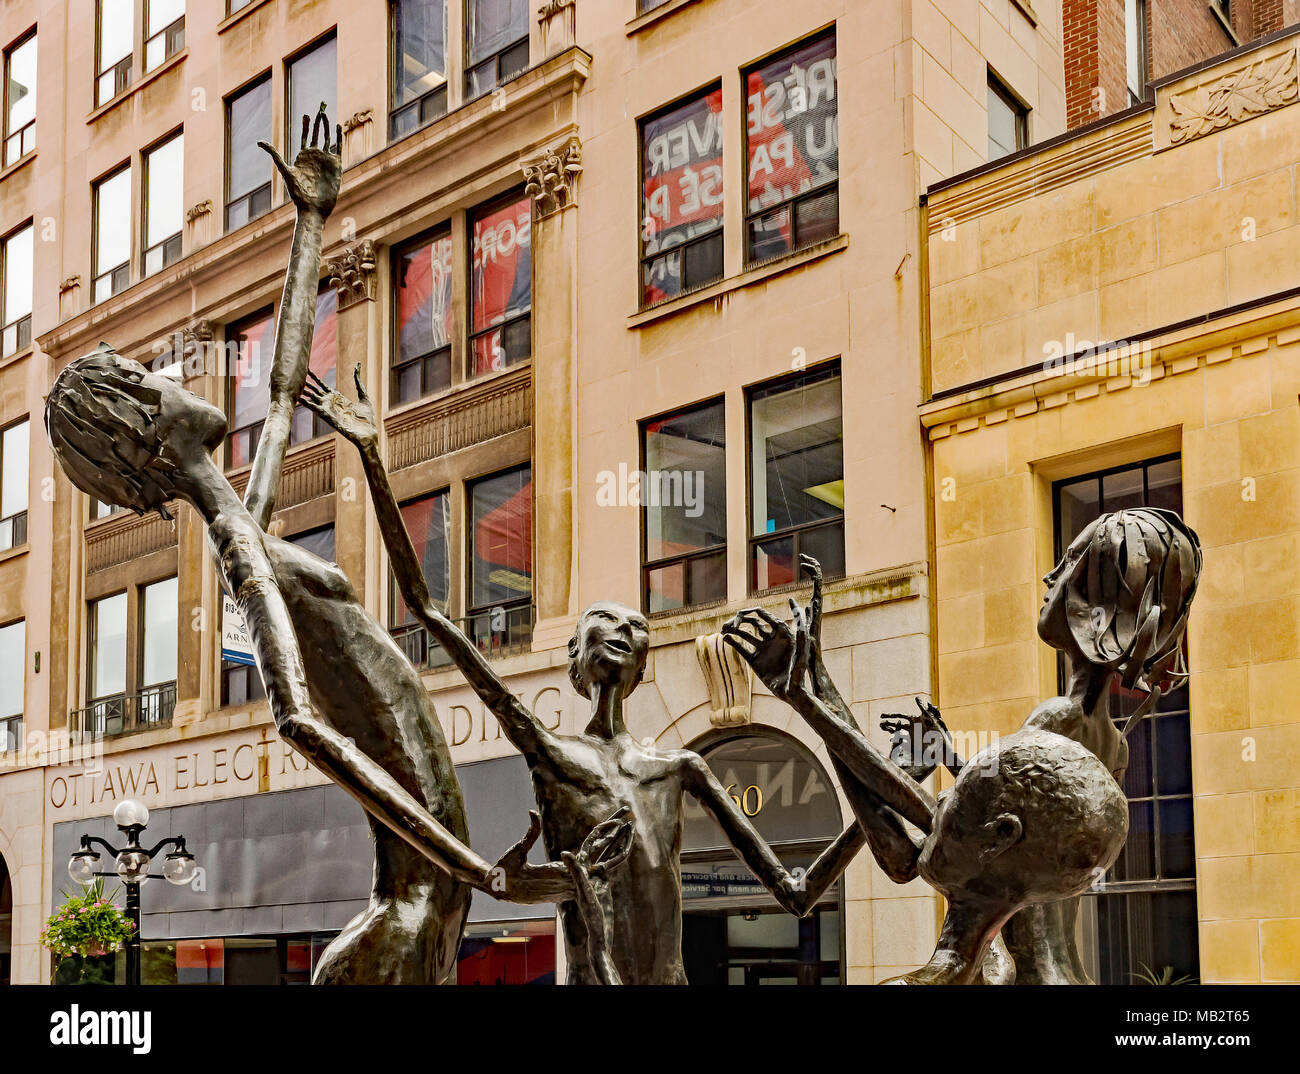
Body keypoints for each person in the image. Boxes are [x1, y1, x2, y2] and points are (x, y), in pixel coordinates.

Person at [45, 112, 629, 985]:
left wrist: (312, 223)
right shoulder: (241, 557)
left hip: (432, 886)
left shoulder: (243, 518)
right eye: (149, 381)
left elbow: (282, 396)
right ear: (143, 431)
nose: (172, 380)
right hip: (423, 889)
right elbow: (297, 721)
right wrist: (477, 870)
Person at [299, 368, 888, 984]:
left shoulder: (680, 768)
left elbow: (797, 891)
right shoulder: (550, 754)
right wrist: (371, 454)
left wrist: (885, 792)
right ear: (575, 660)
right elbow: (426, 609)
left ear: (641, 666)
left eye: (635, 628)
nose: (620, 630)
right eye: (600, 623)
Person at [722, 598, 1127, 984]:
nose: (934, 804)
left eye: (953, 798)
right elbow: (896, 802)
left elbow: (904, 820)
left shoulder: (1059, 720)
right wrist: (812, 691)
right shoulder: (996, 961)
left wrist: (807, 695)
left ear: (998, 839)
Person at [882, 508, 1202, 983]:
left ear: (1098, 609)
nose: (1051, 577)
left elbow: (994, 826)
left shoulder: (1057, 715)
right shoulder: (1114, 745)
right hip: (1066, 970)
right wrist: (949, 753)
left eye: (1070, 564)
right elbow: (1026, 813)